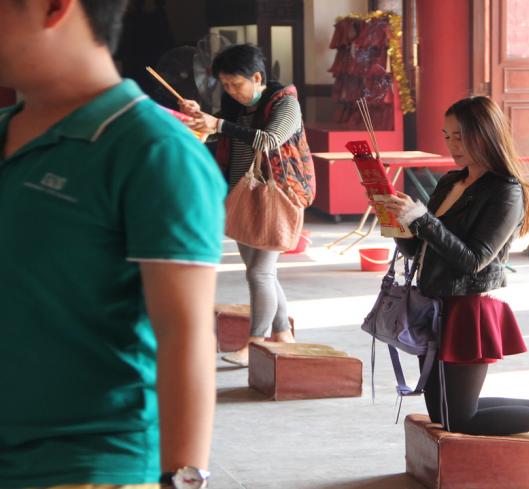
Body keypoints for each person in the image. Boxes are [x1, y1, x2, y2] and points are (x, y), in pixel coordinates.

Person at [0, 1, 225, 489]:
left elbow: (184, 333)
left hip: (89, 467)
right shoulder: (7, 130)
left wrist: (183, 478)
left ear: (54, 7)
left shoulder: (153, 150)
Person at [383, 96, 529, 483]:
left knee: (461, 418)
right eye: (447, 136)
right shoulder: (450, 182)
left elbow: (474, 259)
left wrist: (424, 221)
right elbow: (421, 250)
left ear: (485, 136)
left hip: (469, 306)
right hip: (435, 304)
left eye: (461, 136)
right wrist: (399, 224)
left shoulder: (505, 191)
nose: (453, 145)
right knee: (445, 412)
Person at [180, 43, 315, 367]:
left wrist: (218, 125)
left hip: (279, 195)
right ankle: (282, 333)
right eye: (225, 85)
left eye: (235, 84)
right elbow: (226, 135)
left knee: (259, 273)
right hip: (242, 194)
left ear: (257, 77)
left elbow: (269, 140)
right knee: (263, 273)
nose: (230, 91)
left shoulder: (286, 103)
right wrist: (200, 120)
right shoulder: (234, 105)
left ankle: (255, 342)